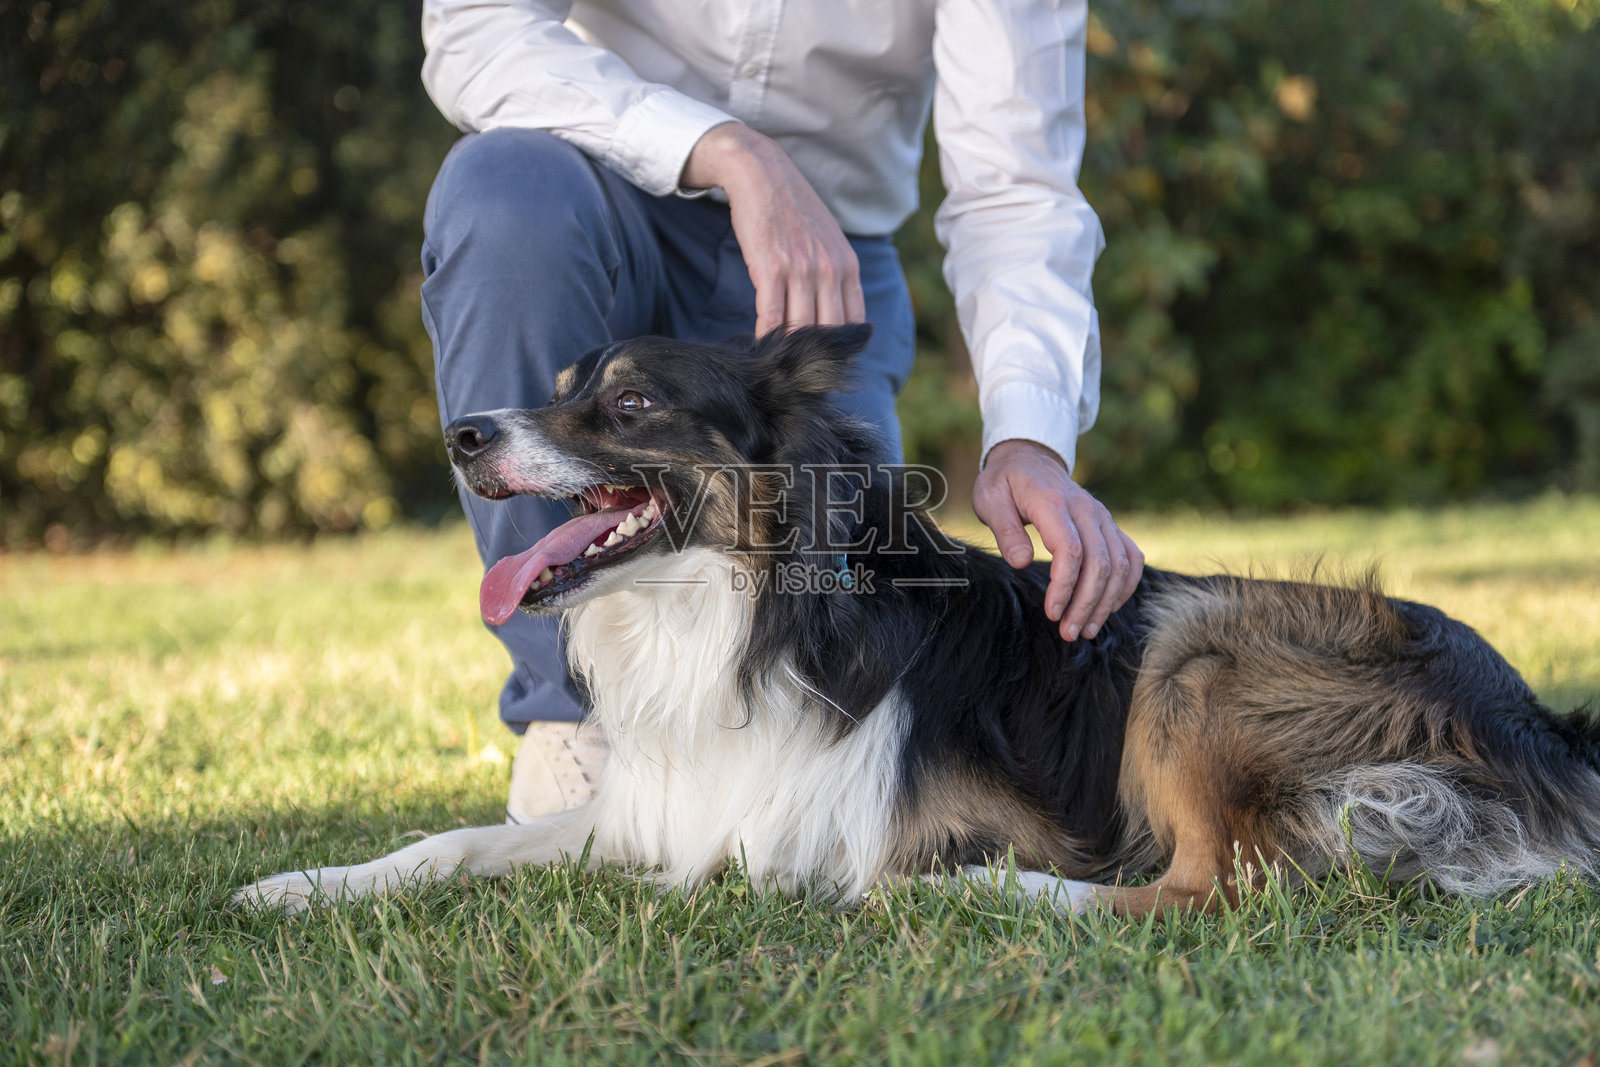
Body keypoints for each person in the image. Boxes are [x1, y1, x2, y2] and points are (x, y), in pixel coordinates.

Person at [418, 0, 1145, 822]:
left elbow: (1015, 188)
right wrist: (726, 149)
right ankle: (572, 713)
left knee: (845, 579)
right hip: (593, 207)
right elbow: (476, 27)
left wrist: (1028, 438)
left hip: (823, 271)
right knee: (501, 187)